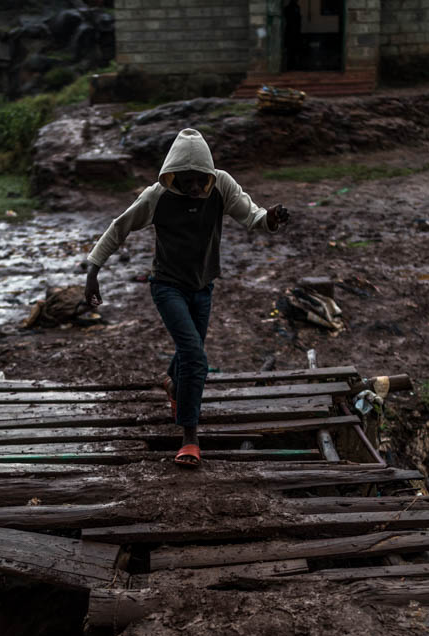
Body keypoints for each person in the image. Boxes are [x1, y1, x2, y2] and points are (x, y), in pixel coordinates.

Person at [82, 128, 289, 467]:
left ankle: (172, 383)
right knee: (195, 358)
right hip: (167, 286)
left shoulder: (221, 185)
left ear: (209, 175)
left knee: (188, 351)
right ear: (173, 176)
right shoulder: (157, 196)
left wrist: (271, 218)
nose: (194, 187)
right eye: (186, 181)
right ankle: (190, 437)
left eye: (200, 180)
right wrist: (93, 271)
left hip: (203, 286)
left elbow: (252, 216)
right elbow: (119, 227)